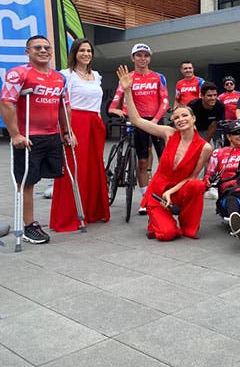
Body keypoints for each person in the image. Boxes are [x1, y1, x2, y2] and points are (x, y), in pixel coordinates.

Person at [116, 65, 212, 241]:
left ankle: (187, 223)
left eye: (184, 116)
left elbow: (191, 178)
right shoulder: (168, 133)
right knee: (167, 235)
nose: (180, 120)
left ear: (193, 119)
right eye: (176, 118)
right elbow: (137, 120)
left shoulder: (205, 147)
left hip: (179, 189)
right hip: (158, 191)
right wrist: (128, 91)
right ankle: (159, 220)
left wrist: (171, 192)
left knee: (197, 185)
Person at [0, 35, 75, 244]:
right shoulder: (19, 73)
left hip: (52, 136)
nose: (43, 51)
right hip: (29, 138)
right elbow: (6, 103)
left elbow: (64, 105)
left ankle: (59, 217)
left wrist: (67, 131)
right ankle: (28, 226)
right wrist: (15, 134)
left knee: (55, 177)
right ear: (28, 52)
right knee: (27, 183)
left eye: (47, 48)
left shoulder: (59, 78)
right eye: (37, 48)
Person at [50, 38, 110, 232]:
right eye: (82, 50)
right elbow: (61, 105)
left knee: (93, 168)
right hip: (75, 122)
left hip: (95, 123)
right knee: (75, 169)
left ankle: (91, 211)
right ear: (74, 53)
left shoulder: (97, 76)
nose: (86, 54)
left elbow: (96, 102)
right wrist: (67, 131)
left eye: (89, 51)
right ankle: (69, 216)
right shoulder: (66, 75)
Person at [108, 43, 169, 211]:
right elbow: (117, 98)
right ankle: (146, 198)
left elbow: (164, 100)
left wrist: (155, 121)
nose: (143, 58)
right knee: (142, 162)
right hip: (135, 121)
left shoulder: (158, 77)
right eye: (139, 55)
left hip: (155, 121)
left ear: (150, 58)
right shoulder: (128, 77)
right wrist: (114, 109)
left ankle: (165, 193)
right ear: (132, 58)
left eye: (146, 55)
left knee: (165, 160)